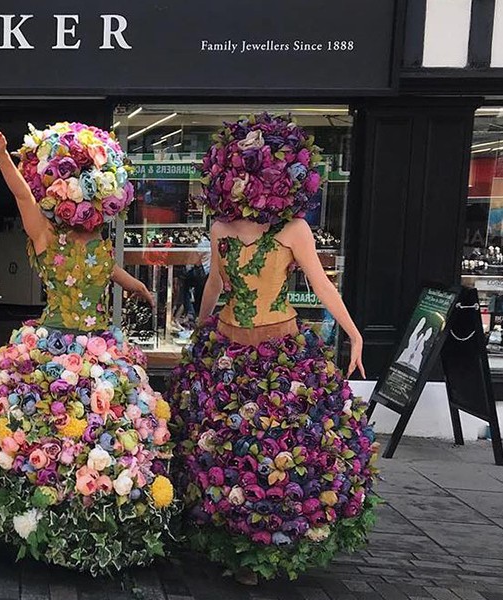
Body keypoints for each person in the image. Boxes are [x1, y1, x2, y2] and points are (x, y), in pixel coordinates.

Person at [0, 119, 175, 575]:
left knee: (100, 430)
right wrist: (0, 156)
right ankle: (46, 519)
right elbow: (21, 196)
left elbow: (110, 272)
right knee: (52, 428)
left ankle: (88, 518)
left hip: (101, 346)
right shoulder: (45, 236)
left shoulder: (100, 242)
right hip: (54, 345)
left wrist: (139, 287)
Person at [169, 113, 379, 583]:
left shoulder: (293, 230)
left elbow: (322, 286)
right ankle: (230, 540)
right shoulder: (221, 228)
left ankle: (266, 543)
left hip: (279, 348)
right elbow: (215, 286)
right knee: (219, 447)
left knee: (275, 443)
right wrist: (201, 331)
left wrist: (354, 332)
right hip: (226, 344)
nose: (243, 186)